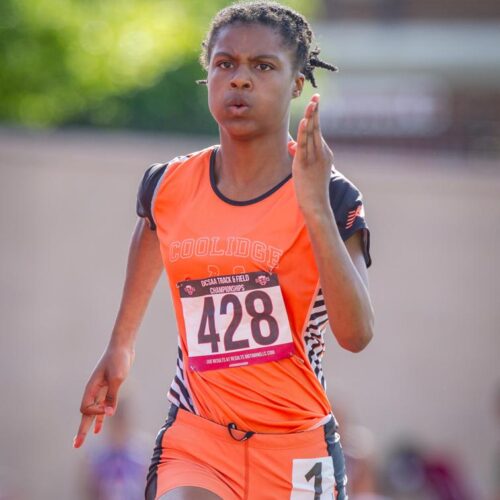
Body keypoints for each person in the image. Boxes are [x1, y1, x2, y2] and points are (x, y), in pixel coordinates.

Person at [74, 2, 375, 499]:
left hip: (297, 448)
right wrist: (120, 344)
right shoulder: (167, 184)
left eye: (263, 66)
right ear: (208, 75)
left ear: (297, 83)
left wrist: (315, 209)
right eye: (225, 64)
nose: (239, 79)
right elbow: (152, 228)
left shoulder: (334, 194)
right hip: (198, 436)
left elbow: (357, 334)